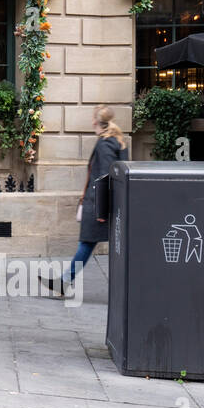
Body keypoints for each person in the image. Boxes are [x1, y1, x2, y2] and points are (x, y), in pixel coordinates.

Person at [43, 105, 129, 296]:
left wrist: (100, 209)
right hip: (106, 203)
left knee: (88, 243)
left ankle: (65, 282)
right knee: (98, 245)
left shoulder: (105, 144)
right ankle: (65, 281)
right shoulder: (118, 142)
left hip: (98, 204)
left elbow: (105, 176)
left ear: (96, 121)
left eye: (92, 118)